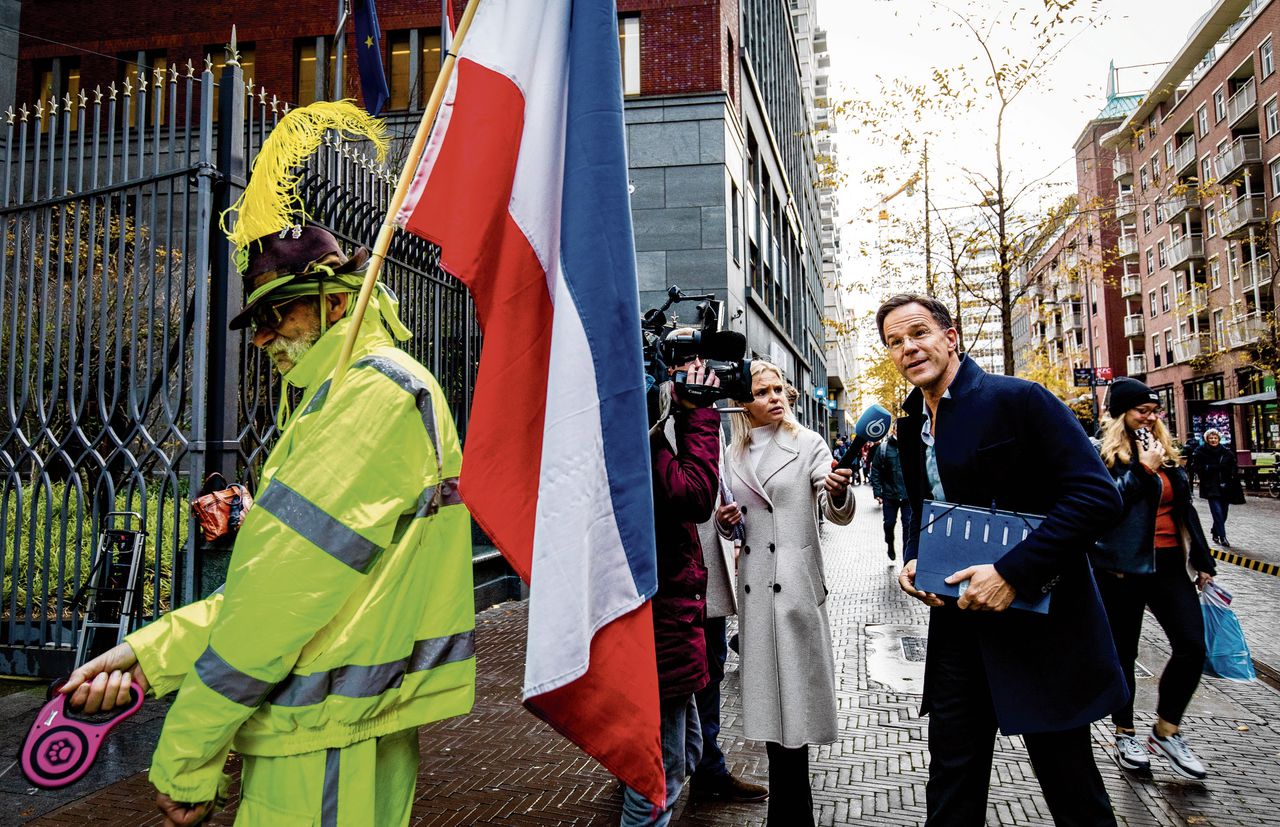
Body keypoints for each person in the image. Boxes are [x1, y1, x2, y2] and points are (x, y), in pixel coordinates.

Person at [60, 101, 476, 826]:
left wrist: (185, 756)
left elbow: (275, 609)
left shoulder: (368, 396)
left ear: (333, 301)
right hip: (327, 732)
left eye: (274, 315)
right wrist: (144, 654)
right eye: (255, 321)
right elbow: (272, 587)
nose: (262, 339)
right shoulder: (352, 393)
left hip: (319, 744)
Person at [880, 293, 1126, 826]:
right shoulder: (909, 424)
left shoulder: (1021, 400)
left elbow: (1098, 497)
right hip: (956, 633)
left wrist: (1013, 574)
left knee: (1071, 787)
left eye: (918, 333)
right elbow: (921, 505)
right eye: (895, 342)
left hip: (1038, 631)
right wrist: (916, 558)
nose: (908, 348)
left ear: (952, 336)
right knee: (951, 784)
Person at [715, 360, 854, 826]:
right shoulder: (732, 454)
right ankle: (787, 812)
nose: (776, 397)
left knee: (794, 704)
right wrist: (727, 522)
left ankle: (796, 814)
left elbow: (837, 511)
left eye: (780, 389)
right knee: (770, 708)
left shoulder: (807, 442)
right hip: (755, 589)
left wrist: (836, 490)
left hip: (793, 588)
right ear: (743, 403)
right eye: (763, 392)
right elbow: (731, 516)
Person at [1092, 378, 1215, 780]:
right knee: (1123, 652)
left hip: (1167, 565)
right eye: (1141, 410)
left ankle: (1166, 729)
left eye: (1154, 410)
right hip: (1121, 566)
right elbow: (1106, 507)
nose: (1150, 416)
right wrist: (1144, 471)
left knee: (1192, 645)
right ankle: (1124, 733)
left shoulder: (1164, 450)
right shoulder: (1104, 455)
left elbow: (1186, 510)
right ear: (1121, 413)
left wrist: (1202, 558)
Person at [622, 353, 721, 826]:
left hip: (673, 622)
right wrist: (697, 412)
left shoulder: (641, 435)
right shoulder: (638, 441)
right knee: (659, 776)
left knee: (689, 749)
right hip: (661, 625)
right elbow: (695, 495)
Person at [691, 455, 770, 804]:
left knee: (710, 671)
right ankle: (648, 769)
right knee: (687, 676)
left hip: (707, 573)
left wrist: (731, 536)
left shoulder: (709, 424)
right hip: (683, 575)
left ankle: (706, 770)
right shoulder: (672, 416)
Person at [1192, 428, 1240, 547]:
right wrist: (1209, 468)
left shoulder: (1227, 452)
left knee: (1223, 513)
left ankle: (1215, 530)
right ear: (1207, 439)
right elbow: (1196, 467)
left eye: (1215, 438)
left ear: (1219, 439)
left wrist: (1232, 475)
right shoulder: (1200, 452)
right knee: (1217, 512)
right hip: (1210, 486)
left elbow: (1233, 466)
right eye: (1211, 438)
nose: (1213, 440)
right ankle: (1223, 537)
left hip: (1225, 486)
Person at [869, 422, 910, 562]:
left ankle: (907, 560)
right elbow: (875, 471)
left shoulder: (911, 446)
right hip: (889, 495)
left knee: (909, 528)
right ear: (894, 430)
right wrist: (877, 492)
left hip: (907, 496)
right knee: (889, 524)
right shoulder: (884, 448)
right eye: (899, 430)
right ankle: (890, 544)